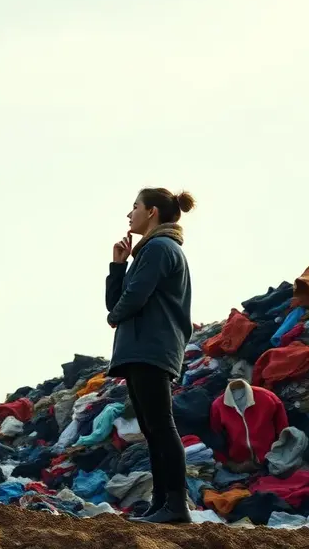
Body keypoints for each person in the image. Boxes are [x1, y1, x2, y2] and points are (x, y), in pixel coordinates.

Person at [105, 187, 195, 524]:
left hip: (151, 347)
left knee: (160, 425)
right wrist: (117, 266)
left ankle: (176, 505)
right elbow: (119, 301)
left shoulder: (159, 248)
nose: (130, 214)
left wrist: (114, 317)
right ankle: (161, 503)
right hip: (143, 347)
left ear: (152, 212)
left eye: (135, 207)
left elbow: (131, 300)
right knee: (152, 427)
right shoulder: (150, 251)